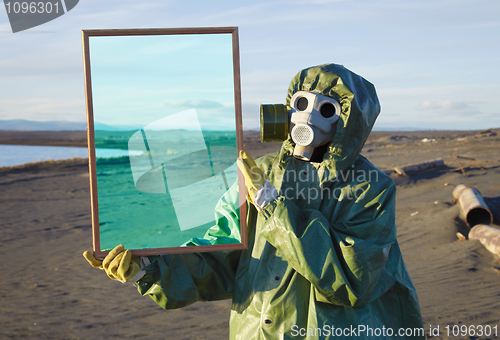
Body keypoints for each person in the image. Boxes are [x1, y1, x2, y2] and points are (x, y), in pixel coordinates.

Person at [84, 63, 425, 339]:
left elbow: (349, 280)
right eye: (301, 104)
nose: (308, 118)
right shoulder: (260, 173)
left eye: (326, 109)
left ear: (349, 121)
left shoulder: (369, 188)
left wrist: (272, 205)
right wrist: (150, 269)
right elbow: (222, 257)